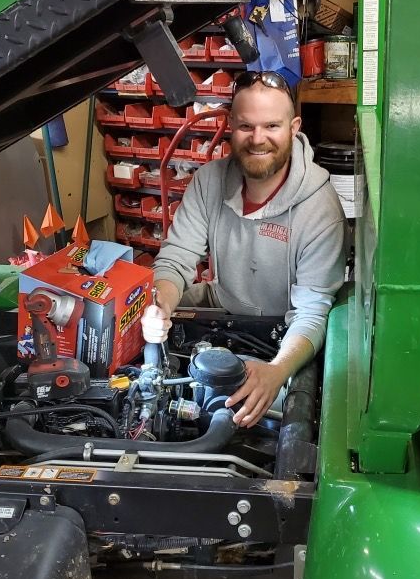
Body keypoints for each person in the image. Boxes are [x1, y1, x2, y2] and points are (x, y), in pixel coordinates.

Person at [141, 70, 346, 428]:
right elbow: (176, 259)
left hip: (288, 329)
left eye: (271, 126)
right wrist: (160, 305)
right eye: (246, 126)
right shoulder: (208, 181)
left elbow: (312, 311)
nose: (258, 139)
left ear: (294, 126)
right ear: (229, 123)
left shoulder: (321, 208)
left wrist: (277, 371)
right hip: (222, 307)